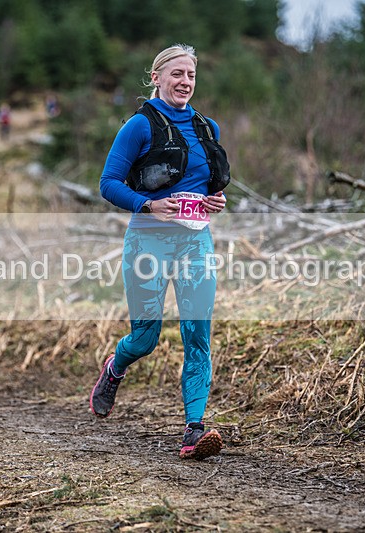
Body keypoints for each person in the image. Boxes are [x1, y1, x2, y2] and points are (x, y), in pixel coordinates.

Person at [90, 44, 230, 460]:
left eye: (191, 75)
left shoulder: (207, 127)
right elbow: (108, 183)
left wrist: (216, 200)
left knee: (197, 334)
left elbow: (205, 184)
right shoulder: (139, 126)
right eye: (177, 74)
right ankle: (115, 366)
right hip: (147, 242)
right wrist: (148, 204)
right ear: (157, 77)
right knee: (146, 338)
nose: (185, 82)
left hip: (195, 242)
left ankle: (194, 429)